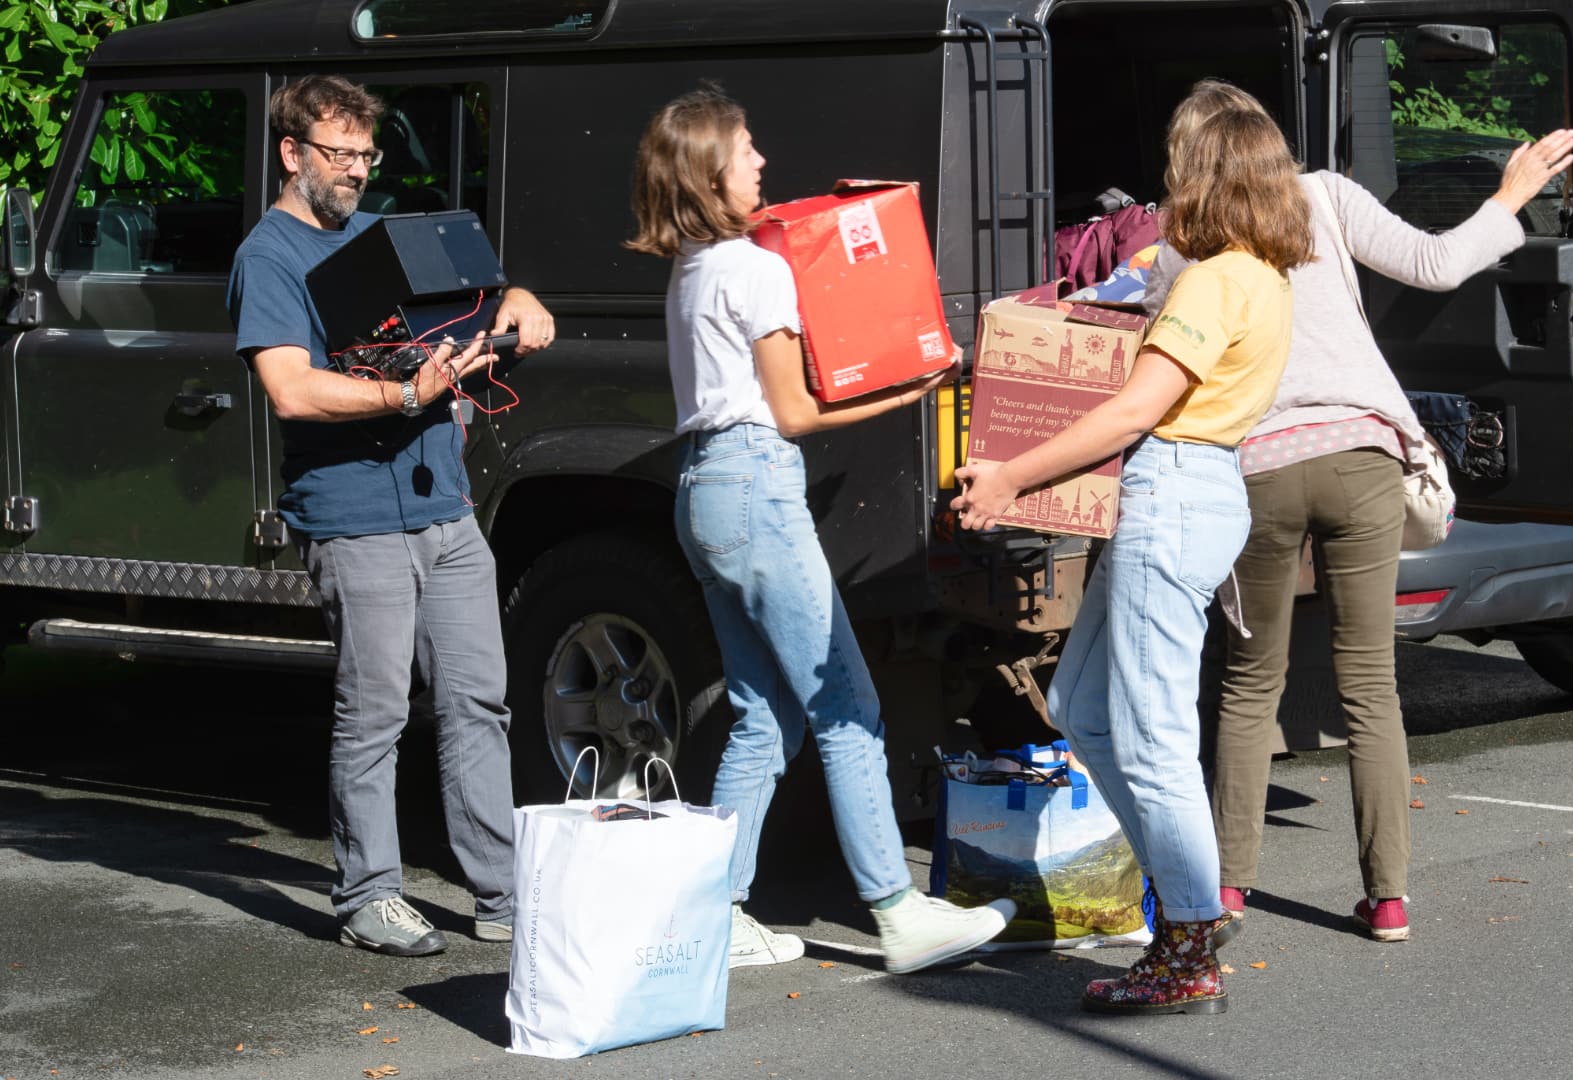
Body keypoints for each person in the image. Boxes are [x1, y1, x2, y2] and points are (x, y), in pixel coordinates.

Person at [1142, 80, 1573, 944]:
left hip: (1260, 465)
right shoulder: (1325, 197)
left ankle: (1228, 889)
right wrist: (1508, 196)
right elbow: (1437, 265)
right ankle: (1388, 900)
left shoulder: (1179, 246)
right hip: (1364, 454)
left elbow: (1166, 367)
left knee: (1249, 685)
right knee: (1370, 684)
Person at [625, 86, 1014, 974]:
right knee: (847, 705)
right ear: (709, 171)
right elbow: (794, 411)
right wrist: (910, 389)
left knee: (765, 717)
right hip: (756, 483)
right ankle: (897, 911)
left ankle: (717, 913)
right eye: (746, 148)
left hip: (701, 491)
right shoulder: (757, 270)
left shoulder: (692, 265)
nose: (761, 161)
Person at [954, 102, 1313, 1016]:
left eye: (1176, 164)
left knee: (1153, 738)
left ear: (1206, 174)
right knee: (1079, 704)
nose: (1165, 183)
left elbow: (1131, 412)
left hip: (1172, 495)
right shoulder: (1261, 275)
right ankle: (1183, 901)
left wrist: (1008, 480)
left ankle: (1190, 936)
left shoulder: (1215, 282)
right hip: (1199, 491)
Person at [226, 75, 556, 957]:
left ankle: (499, 893)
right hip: (354, 517)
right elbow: (290, 388)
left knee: (479, 702)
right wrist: (404, 390)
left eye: (368, 156)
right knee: (374, 712)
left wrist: (517, 305)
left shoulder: (382, 236)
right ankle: (368, 894)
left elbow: (489, 301)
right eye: (340, 155)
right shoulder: (270, 257)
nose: (358, 173)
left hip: (444, 510)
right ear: (292, 153)